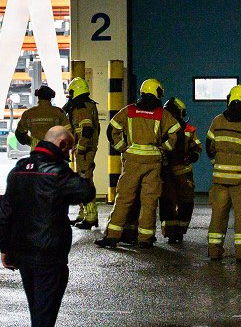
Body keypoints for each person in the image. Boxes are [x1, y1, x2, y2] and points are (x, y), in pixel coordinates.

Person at [0, 125, 95, 327]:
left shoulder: (18, 168)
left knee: (40, 315)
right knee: (43, 319)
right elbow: (86, 192)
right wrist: (78, 165)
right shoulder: (59, 173)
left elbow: (6, 212)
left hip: (24, 255)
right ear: (63, 144)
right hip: (49, 255)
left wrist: (5, 247)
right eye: (69, 148)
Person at [95, 78, 180, 249]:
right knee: (149, 201)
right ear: (156, 92)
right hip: (153, 161)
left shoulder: (130, 110)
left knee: (124, 199)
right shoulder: (161, 113)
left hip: (132, 159)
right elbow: (175, 131)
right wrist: (164, 148)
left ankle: (112, 236)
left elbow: (112, 130)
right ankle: (145, 238)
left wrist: (123, 148)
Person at [205, 85, 241, 262]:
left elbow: (209, 147)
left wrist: (218, 164)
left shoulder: (217, 120)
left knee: (218, 215)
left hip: (220, 178)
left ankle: (214, 251)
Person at [158, 97, 201, 243]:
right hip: (168, 172)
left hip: (181, 172)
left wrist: (193, 155)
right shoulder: (160, 129)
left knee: (185, 202)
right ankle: (171, 232)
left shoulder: (188, 130)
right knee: (167, 202)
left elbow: (197, 146)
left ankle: (179, 231)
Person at [63, 77, 101, 229]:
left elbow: (86, 129)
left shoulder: (81, 107)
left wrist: (81, 147)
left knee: (85, 181)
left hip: (84, 150)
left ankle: (91, 216)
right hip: (83, 149)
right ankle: (83, 212)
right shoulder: (86, 104)